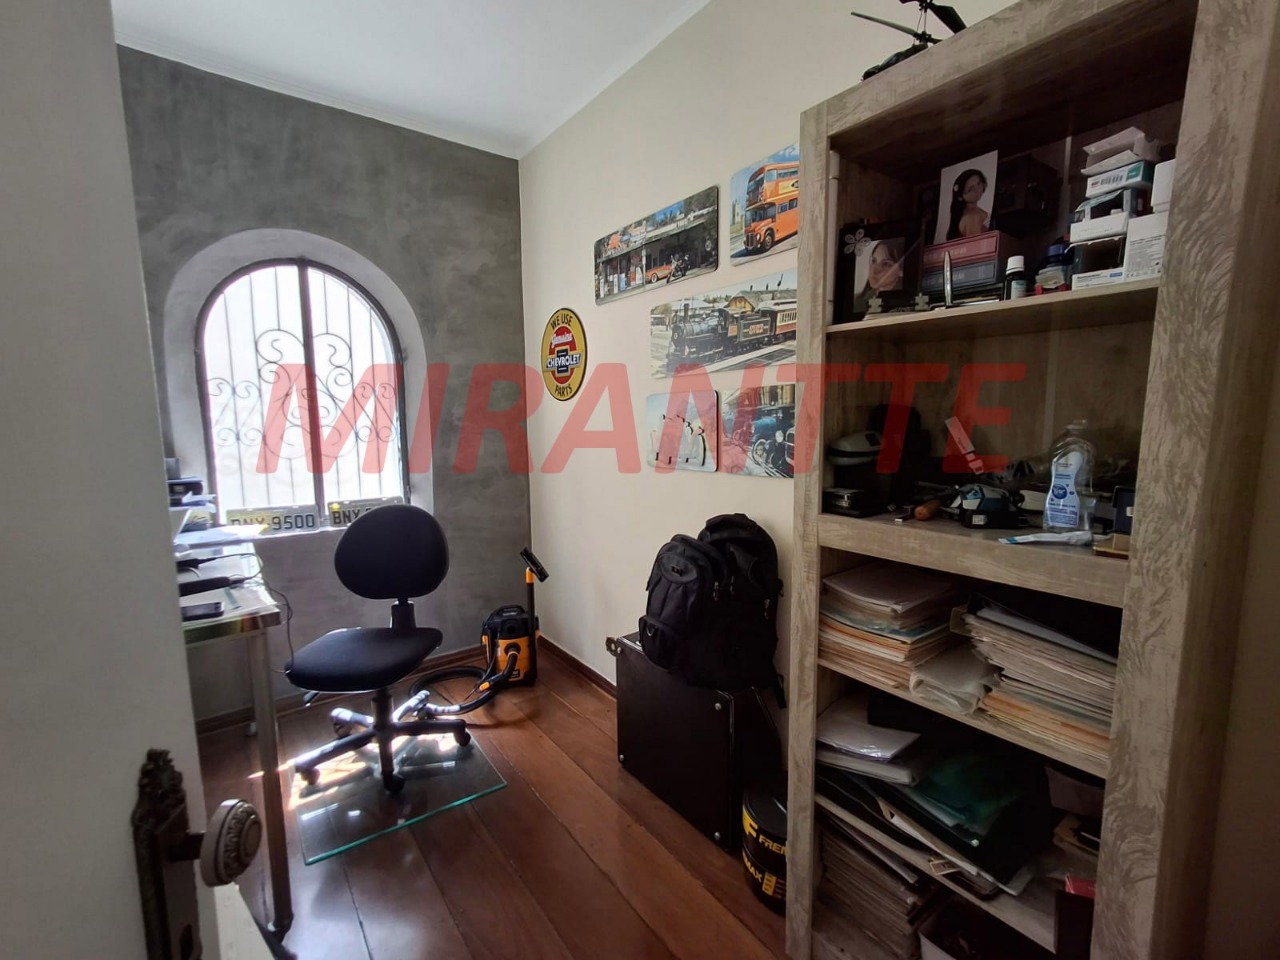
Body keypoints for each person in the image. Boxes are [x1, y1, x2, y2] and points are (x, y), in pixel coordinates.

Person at [852, 237, 904, 316]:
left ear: (901, 271)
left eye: (885, 264)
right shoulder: (857, 301)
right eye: (873, 261)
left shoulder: (904, 303)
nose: (874, 270)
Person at [946, 168, 990, 240]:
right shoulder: (971, 217)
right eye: (970, 189)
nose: (977, 189)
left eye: (979, 183)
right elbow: (976, 243)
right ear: (960, 197)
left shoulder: (975, 211)